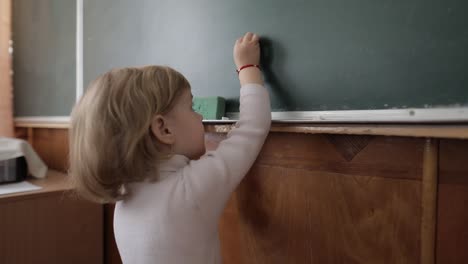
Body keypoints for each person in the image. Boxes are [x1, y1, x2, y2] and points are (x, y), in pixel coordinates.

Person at [69, 32, 271, 263]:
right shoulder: (190, 189)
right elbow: (252, 126)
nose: (200, 116)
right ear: (164, 129)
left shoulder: (125, 202)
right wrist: (247, 66)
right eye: (191, 106)